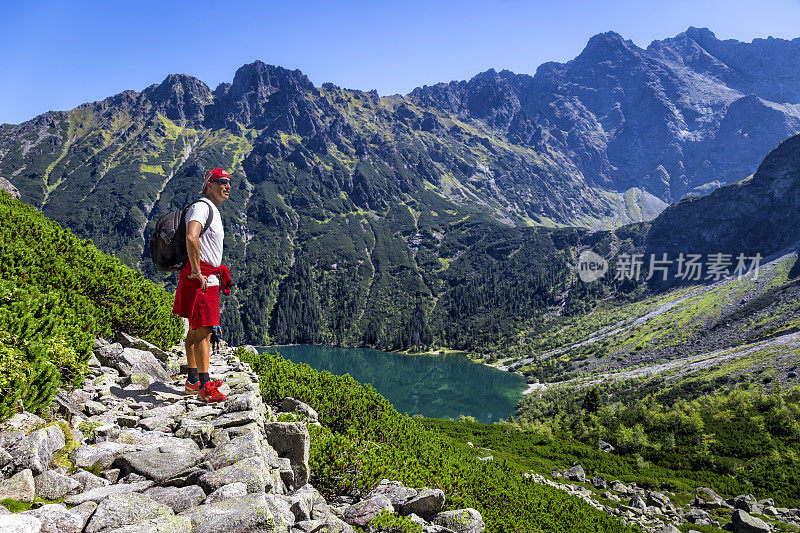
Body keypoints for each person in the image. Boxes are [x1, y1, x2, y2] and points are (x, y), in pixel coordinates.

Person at [172, 168, 233, 403]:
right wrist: (197, 271)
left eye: (228, 182)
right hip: (201, 278)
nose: (226, 186)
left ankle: (193, 380)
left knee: (196, 329)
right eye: (220, 182)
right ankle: (205, 386)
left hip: (207, 276)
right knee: (204, 332)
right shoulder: (202, 207)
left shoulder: (212, 209)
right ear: (208, 185)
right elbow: (191, 236)